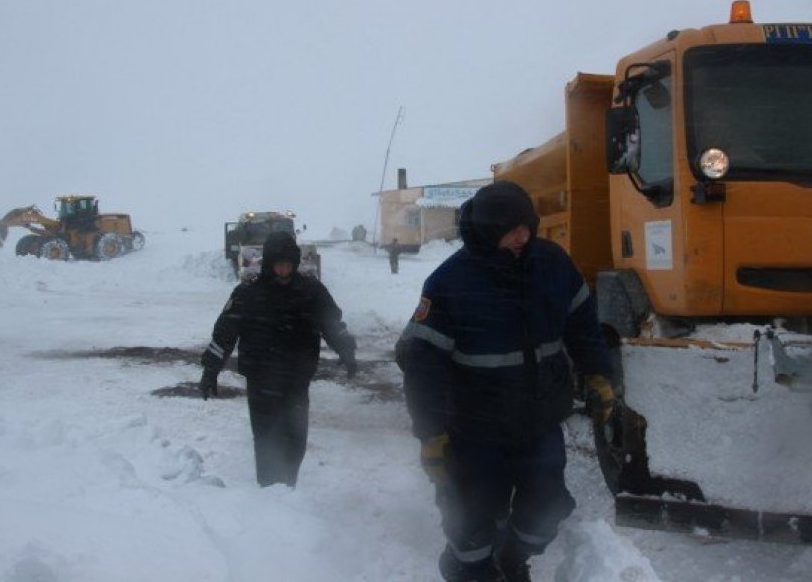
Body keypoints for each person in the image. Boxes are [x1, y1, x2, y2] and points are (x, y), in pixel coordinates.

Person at [396, 181, 614, 582]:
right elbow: (422, 365)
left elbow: (583, 327)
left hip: (540, 423)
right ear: (485, 230)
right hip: (474, 431)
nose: (523, 236)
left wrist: (599, 373)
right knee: (473, 524)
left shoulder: (552, 264)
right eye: (511, 229)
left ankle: (513, 559)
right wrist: (431, 434)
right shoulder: (450, 283)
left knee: (545, 509)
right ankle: (471, 569)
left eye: (527, 226)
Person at [199, 230, 358, 488]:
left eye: (288, 264)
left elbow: (333, 324)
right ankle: (269, 495)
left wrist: (346, 350)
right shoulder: (248, 294)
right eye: (278, 264)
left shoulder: (311, 291)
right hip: (261, 381)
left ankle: (288, 490)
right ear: (269, 264)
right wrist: (210, 370)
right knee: (267, 440)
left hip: (297, 379)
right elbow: (224, 334)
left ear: (295, 264)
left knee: (295, 440)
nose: (283, 270)